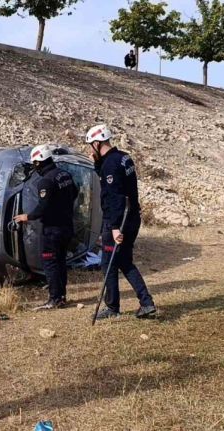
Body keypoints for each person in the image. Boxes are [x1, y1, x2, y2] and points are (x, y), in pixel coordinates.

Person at [85, 124, 157, 320]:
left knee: (108, 263)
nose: (90, 149)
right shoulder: (123, 158)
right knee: (124, 261)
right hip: (132, 217)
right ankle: (146, 303)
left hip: (118, 221)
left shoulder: (110, 164)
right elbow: (116, 182)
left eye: (91, 145)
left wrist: (115, 228)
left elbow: (114, 197)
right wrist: (98, 164)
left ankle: (112, 308)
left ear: (97, 143)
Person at [14, 144, 78, 310]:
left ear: (39, 162)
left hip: (52, 230)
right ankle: (61, 296)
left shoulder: (45, 181)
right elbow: (75, 193)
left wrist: (27, 216)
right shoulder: (65, 175)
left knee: (50, 263)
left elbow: (43, 207)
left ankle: (54, 299)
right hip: (67, 226)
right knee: (61, 262)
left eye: (35, 163)